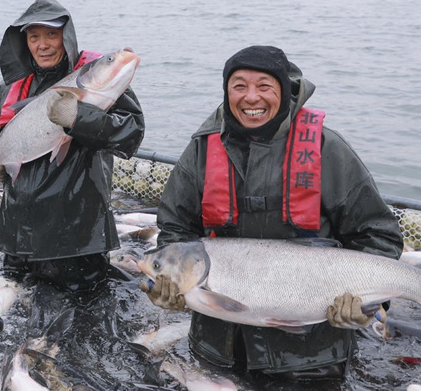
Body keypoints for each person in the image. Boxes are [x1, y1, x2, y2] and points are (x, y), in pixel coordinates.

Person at [141, 46, 403, 383]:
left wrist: (368, 305)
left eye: (264, 86)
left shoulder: (326, 147)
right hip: (218, 346)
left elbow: (379, 236)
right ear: (226, 91)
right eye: (239, 86)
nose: (251, 98)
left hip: (313, 355)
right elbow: (175, 230)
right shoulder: (201, 151)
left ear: (284, 90)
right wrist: (170, 283)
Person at [0, 0, 144, 293]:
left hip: (77, 236)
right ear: (23, 42)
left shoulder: (98, 82)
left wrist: (79, 118)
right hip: (17, 232)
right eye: (34, 37)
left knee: (84, 317)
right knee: (16, 310)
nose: (43, 45)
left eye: (52, 35)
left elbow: (130, 134)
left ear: (67, 37)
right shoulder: (6, 89)